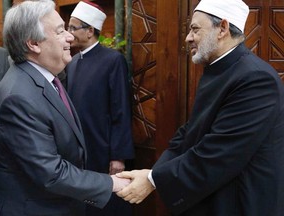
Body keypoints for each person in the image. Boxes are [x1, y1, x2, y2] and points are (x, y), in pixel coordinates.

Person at [116, 0, 284, 215]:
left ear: (222, 28)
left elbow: (220, 153)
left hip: (241, 202)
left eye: (195, 29)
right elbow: (190, 131)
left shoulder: (255, 78)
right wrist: (154, 173)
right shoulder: (220, 69)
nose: (188, 38)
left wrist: (152, 180)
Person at [0, 1, 130, 215]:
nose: (69, 36)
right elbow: (51, 173)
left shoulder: (45, 78)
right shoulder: (19, 97)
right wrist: (111, 184)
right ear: (34, 44)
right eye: (60, 31)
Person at [65, 1, 135, 215]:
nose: (69, 34)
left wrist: (118, 156)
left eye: (73, 28)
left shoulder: (113, 60)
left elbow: (121, 110)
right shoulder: (73, 62)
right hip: (80, 150)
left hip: (103, 149)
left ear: (90, 31)